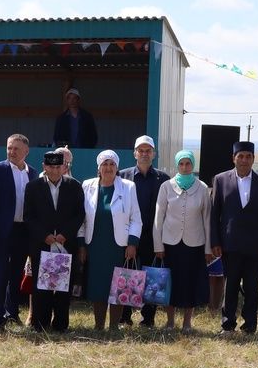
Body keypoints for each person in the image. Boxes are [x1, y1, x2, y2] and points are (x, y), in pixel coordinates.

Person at [210, 141, 258, 335]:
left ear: (253, 159)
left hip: (255, 247)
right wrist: (215, 241)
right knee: (230, 286)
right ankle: (227, 324)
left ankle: (250, 326)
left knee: (252, 288)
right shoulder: (221, 180)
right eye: (241, 156)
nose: (244, 160)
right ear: (234, 158)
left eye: (248, 156)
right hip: (229, 245)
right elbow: (215, 214)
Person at [78, 150, 143, 330]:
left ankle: (114, 326)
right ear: (98, 168)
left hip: (119, 246)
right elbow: (81, 219)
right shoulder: (87, 185)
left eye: (112, 164)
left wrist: (132, 242)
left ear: (117, 167)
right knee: (98, 285)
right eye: (104, 164)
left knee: (118, 285)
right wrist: (81, 244)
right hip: (95, 244)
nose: (108, 168)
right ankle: (99, 325)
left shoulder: (128, 187)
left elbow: (136, 218)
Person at [0, 134, 38, 329]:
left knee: (16, 275)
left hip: (23, 232)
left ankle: (12, 312)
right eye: (9, 148)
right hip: (0, 232)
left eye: (16, 149)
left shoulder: (33, 173)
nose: (11, 152)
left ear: (26, 151)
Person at [24, 150, 85, 332]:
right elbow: (29, 216)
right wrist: (44, 235)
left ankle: (60, 324)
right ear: (44, 167)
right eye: (51, 167)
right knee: (41, 286)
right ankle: (40, 323)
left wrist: (66, 234)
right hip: (42, 244)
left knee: (63, 286)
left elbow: (79, 214)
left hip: (65, 244)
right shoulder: (33, 187)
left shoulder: (74, 186)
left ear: (64, 167)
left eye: (58, 167)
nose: (55, 170)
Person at [153, 149, 212, 331]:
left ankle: (187, 322)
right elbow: (158, 217)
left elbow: (207, 220)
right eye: (181, 164)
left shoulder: (202, 188)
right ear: (177, 165)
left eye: (188, 163)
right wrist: (158, 245)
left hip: (194, 244)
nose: (184, 167)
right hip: (170, 244)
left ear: (193, 165)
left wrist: (208, 248)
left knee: (190, 283)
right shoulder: (166, 186)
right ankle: (170, 321)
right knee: (170, 282)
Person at [119, 135, 171, 327]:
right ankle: (125, 317)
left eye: (148, 151)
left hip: (152, 235)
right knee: (128, 273)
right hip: (128, 235)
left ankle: (147, 318)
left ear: (154, 154)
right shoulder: (122, 176)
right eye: (140, 150)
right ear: (135, 153)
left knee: (151, 277)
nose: (144, 154)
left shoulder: (163, 179)